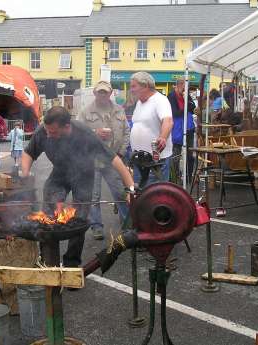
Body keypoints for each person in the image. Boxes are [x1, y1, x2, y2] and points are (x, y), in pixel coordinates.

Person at [21, 106, 134, 267]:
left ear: (67, 127)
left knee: (79, 219)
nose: (48, 135)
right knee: (48, 212)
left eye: (52, 132)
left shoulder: (85, 134)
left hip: (83, 176)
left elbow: (115, 160)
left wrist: (130, 189)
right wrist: (25, 175)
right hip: (59, 174)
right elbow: (28, 153)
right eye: (47, 131)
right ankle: (46, 259)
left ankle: (71, 263)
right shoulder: (44, 130)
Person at [78, 81, 130, 240]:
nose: (102, 95)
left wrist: (120, 154)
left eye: (105, 92)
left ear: (110, 93)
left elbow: (126, 132)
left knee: (120, 192)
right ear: (95, 93)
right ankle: (96, 226)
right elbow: (77, 134)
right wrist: (95, 132)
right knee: (94, 196)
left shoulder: (119, 110)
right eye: (100, 92)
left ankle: (128, 224)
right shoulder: (86, 112)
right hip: (91, 160)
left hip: (113, 159)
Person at [129, 71, 173, 185]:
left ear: (145, 86)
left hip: (156, 162)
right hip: (140, 160)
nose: (131, 90)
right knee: (142, 196)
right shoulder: (139, 103)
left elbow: (168, 121)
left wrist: (163, 137)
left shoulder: (160, 100)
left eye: (134, 86)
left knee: (156, 198)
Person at [167, 79, 196, 183]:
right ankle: (174, 178)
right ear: (178, 85)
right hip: (177, 129)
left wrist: (186, 101)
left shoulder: (186, 95)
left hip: (188, 127)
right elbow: (174, 113)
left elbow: (193, 107)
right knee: (176, 154)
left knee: (190, 154)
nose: (186, 90)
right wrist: (186, 107)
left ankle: (189, 177)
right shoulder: (171, 96)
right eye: (184, 87)